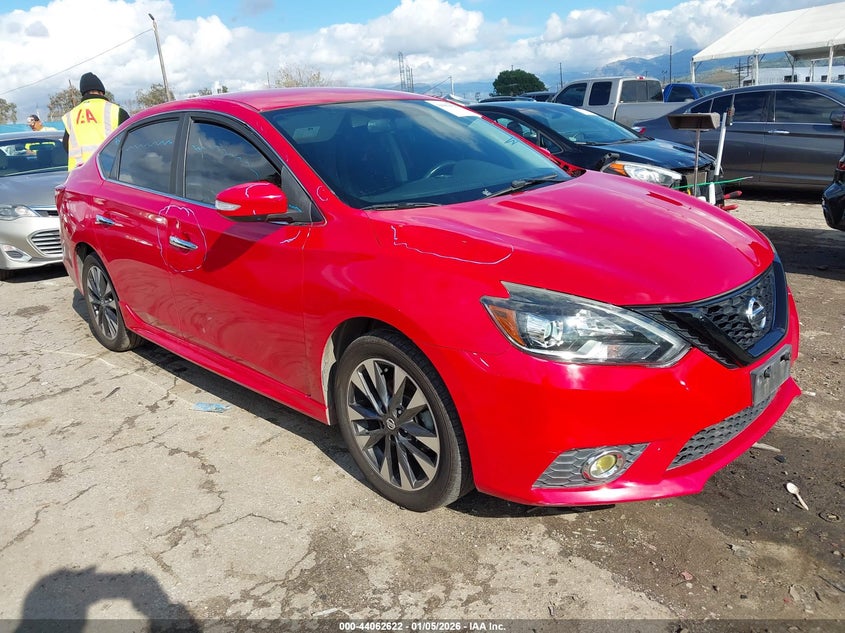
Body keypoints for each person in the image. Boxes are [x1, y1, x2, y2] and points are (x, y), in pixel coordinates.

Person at [62, 72, 129, 169]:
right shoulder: (115, 111)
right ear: (102, 91)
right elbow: (131, 142)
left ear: (83, 93)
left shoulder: (71, 115)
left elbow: (66, 145)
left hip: (78, 175)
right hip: (108, 172)